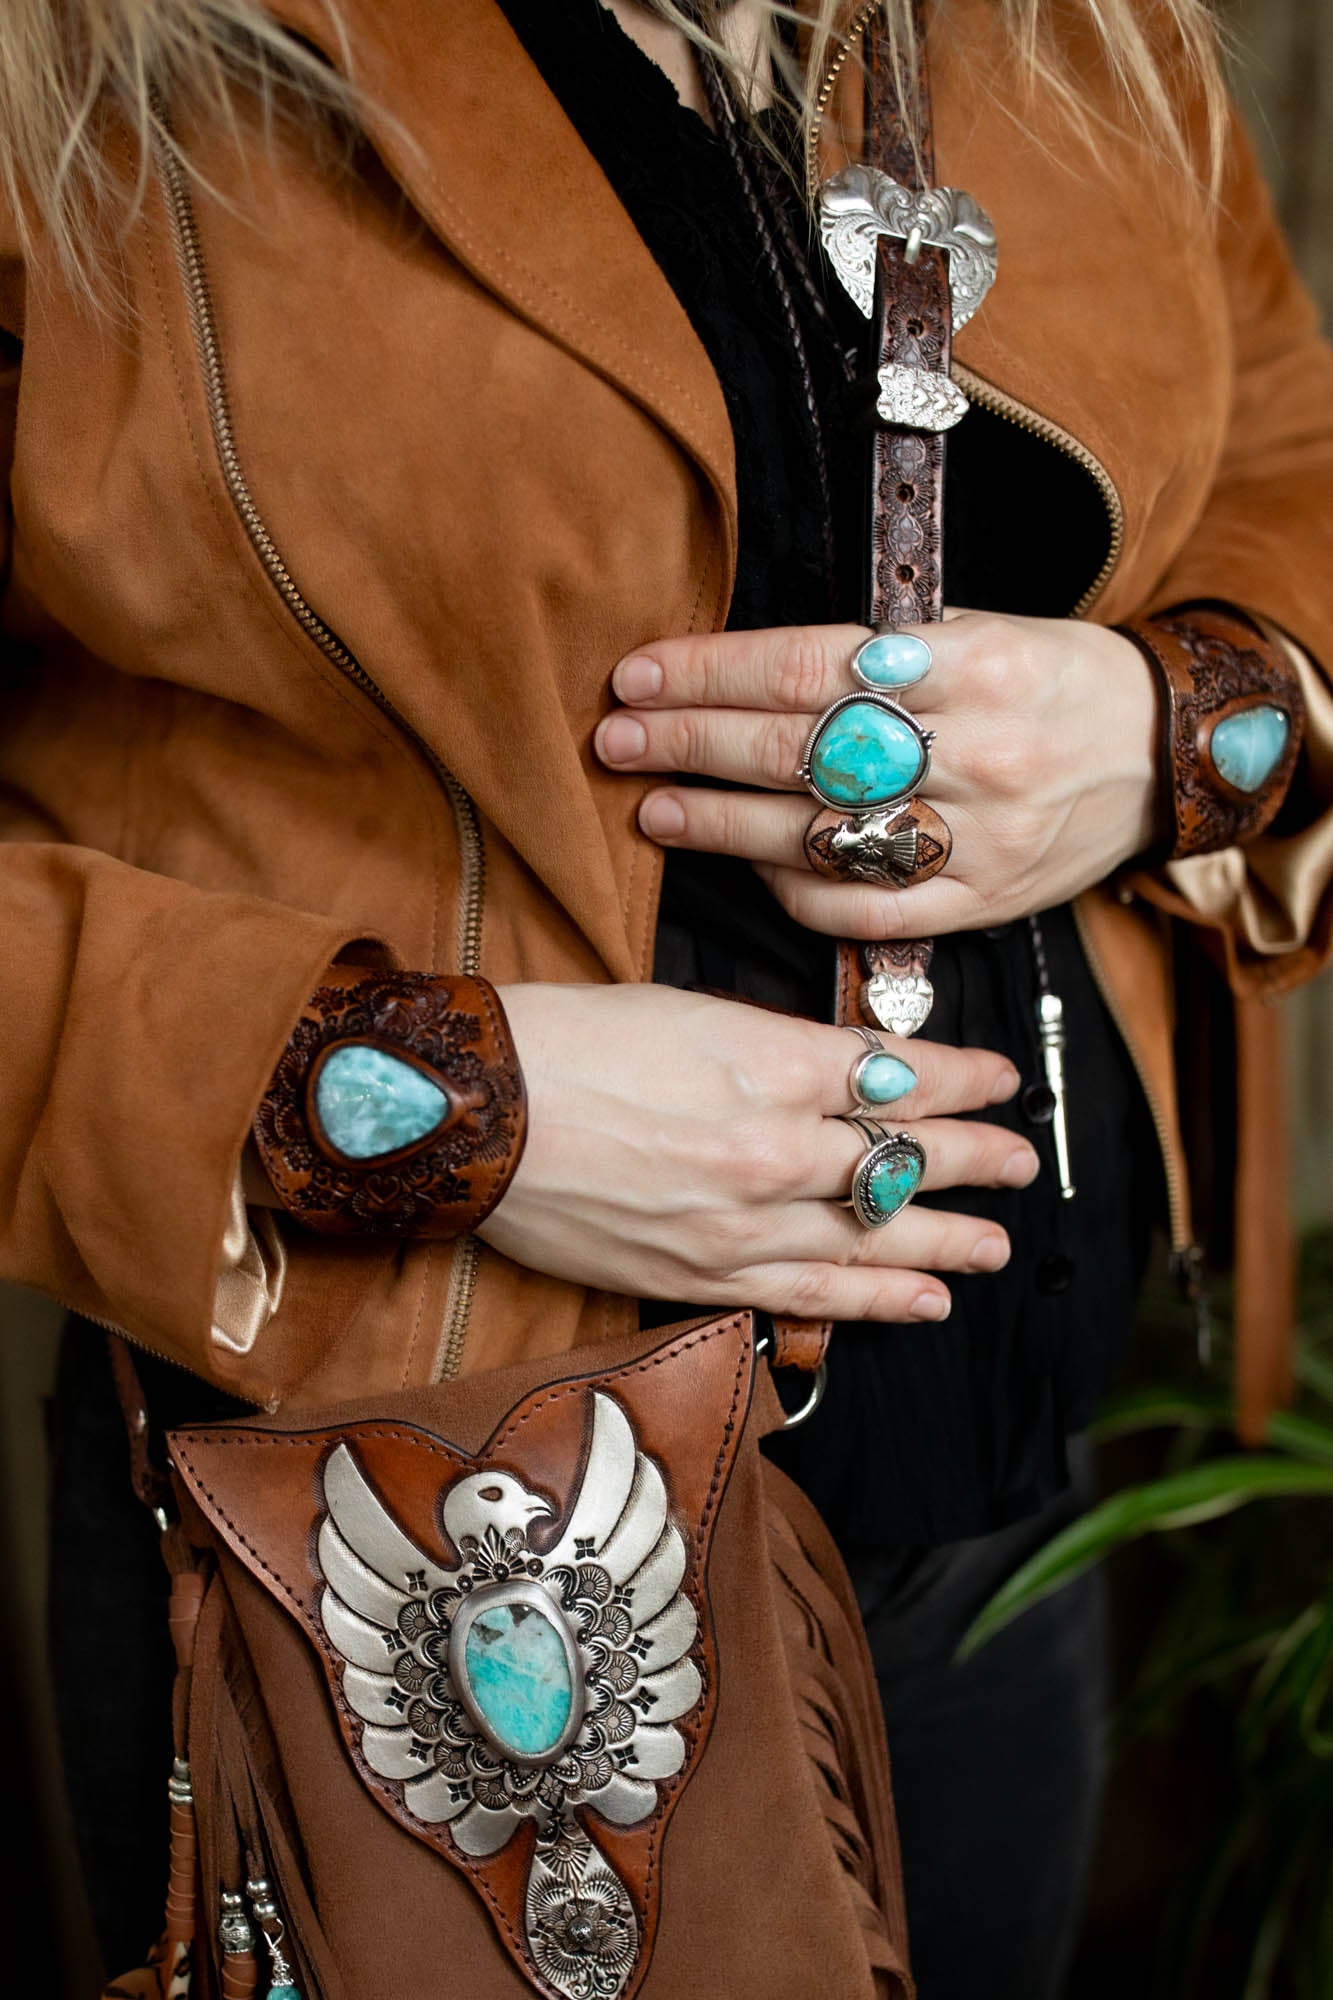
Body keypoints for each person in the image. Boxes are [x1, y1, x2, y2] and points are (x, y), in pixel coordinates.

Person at [3, 1, 1331, 1994]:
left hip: (1012, 1506)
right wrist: (422, 1096)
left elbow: (1286, 464)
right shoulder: (70, 70)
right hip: (428, 1562)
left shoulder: (1080, 28)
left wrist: (1160, 722)